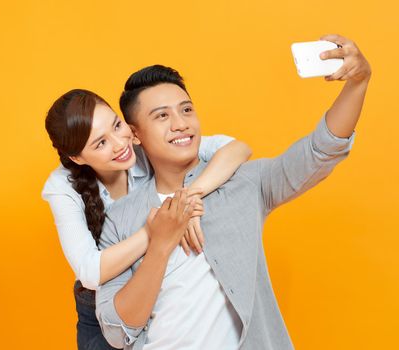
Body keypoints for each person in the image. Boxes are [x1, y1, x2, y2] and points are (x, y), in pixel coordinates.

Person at [95, 34, 371, 349]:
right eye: (162, 116)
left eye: (186, 110)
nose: (181, 124)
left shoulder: (243, 183)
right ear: (134, 135)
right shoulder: (119, 218)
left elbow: (320, 150)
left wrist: (358, 84)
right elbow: (117, 332)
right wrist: (160, 244)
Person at [42, 89, 252, 350]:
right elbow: (89, 272)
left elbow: (235, 148)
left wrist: (187, 198)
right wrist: (156, 231)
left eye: (117, 126)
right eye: (101, 143)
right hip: (102, 308)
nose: (120, 144)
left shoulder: (143, 147)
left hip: (160, 288)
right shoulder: (62, 187)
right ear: (76, 158)